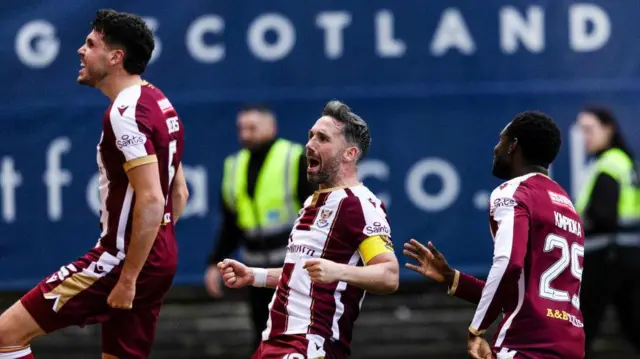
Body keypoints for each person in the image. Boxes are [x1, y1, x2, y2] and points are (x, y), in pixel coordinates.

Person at [0, 9, 188, 359]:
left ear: (116, 57)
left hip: (122, 258)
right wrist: (154, 248)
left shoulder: (125, 114)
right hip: (158, 254)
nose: (80, 51)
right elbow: (179, 192)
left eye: (91, 44)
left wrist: (130, 273)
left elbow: (150, 198)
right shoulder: (160, 102)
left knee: (5, 335)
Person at [218, 100, 399, 359]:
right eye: (311, 135)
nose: (310, 144)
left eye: (323, 138)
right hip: (275, 339)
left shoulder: (358, 204)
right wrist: (254, 276)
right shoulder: (313, 201)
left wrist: (337, 270)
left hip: (310, 343)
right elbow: (302, 272)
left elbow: (389, 275)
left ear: (349, 153)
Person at [404, 111, 586, 359]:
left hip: (527, 344)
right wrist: (451, 278)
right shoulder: (567, 205)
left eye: (500, 140)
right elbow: (520, 293)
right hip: (571, 344)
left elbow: (509, 264)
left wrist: (477, 329)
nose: (495, 148)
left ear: (513, 146)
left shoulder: (513, 192)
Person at [204, 104, 314, 349]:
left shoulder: (294, 158)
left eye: (252, 128)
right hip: (253, 269)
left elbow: (316, 216)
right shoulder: (234, 165)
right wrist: (215, 261)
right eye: (241, 128)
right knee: (263, 337)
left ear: (271, 127)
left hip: (293, 268)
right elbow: (231, 224)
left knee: (298, 337)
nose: (245, 134)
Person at [575, 106, 640, 356]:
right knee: (633, 323)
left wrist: (581, 219)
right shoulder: (625, 161)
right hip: (629, 255)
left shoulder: (608, 165)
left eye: (590, 129)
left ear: (608, 128)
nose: (585, 136)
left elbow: (603, 215)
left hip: (606, 257)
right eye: (582, 130)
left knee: (581, 326)